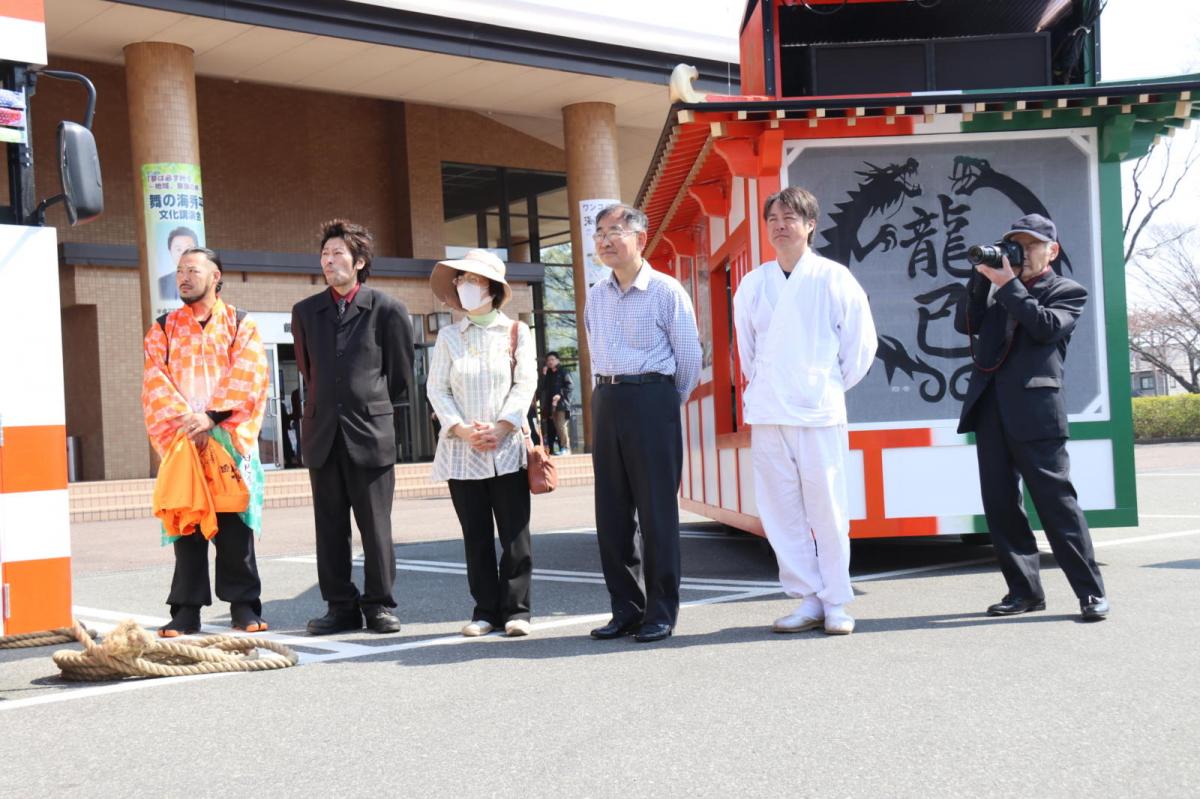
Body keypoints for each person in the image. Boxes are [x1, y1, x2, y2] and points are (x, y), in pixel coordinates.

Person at [733, 186, 877, 636]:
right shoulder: (754, 284)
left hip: (818, 410)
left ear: (810, 224)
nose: (779, 224)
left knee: (828, 508)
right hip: (770, 409)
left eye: (790, 217)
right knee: (780, 509)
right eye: (772, 217)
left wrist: (824, 383)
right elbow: (747, 350)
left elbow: (860, 347)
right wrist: (771, 386)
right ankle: (808, 597)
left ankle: (837, 600)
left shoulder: (834, 278)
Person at [954, 213, 1108, 621]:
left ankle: (1090, 592)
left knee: (1057, 504)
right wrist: (981, 279)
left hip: (1036, 412)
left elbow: (1044, 328)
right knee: (1001, 506)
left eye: (1029, 245)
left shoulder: (1067, 290)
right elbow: (963, 324)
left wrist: (1008, 287)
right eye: (1014, 244)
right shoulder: (997, 289)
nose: (1020, 252)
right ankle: (1024, 592)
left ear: (1051, 250)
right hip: (990, 408)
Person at [584, 203, 701, 643]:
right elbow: (596, 351)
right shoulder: (595, 294)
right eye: (599, 232)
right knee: (611, 514)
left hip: (654, 398)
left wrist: (662, 402)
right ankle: (626, 609)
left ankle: (660, 612)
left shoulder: (666, 291)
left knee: (657, 514)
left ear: (640, 238)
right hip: (607, 398)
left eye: (615, 231)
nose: (605, 239)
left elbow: (689, 360)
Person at [292, 220, 414, 635]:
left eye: (338, 254)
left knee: (375, 526)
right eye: (324, 255)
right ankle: (339, 606)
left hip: (369, 433)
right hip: (323, 433)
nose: (329, 261)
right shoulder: (306, 312)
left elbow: (399, 376)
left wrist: (369, 406)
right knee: (329, 527)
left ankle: (379, 604)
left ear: (359, 262)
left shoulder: (388, 309)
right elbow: (310, 373)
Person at [142, 246, 270, 637]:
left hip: (228, 439)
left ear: (216, 276)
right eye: (179, 270)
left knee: (235, 524)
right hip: (184, 442)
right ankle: (186, 610)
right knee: (187, 524)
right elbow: (155, 382)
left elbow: (249, 375)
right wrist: (189, 423)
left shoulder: (240, 324)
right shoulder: (163, 328)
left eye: (193, 270)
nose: (183, 276)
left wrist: (211, 417)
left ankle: (244, 605)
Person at [427, 249, 538, 637]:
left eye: (470, 280)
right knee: (475, 536)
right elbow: (436, 389)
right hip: (462, 452)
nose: (463, 287)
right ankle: (485, 611)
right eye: (459, 280)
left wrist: (504, 426)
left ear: (491, 288)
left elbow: (526, 383)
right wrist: (461, 429)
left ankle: (517, 611)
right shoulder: (448, 337)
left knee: (514, 534)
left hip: (506, 449)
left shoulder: (516, 332)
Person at [537, 351, 572, 454]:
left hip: (562, 405)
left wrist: (560, 395)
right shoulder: (548, 373)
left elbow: (570, 386)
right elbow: (542, 388)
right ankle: (561, 448)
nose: (550, 362)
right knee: (556, 426)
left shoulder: (564, 371)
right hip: (551, 406)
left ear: (558, 360)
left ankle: (566, 448)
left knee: (561, 426)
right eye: (548, 360)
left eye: (552, 359)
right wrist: (543, 375)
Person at [158, 226, 198, 301]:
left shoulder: (205, 281)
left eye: (188, 248)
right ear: (170, 252)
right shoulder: (160, 283)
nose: (183, 253)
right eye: (178, 249)